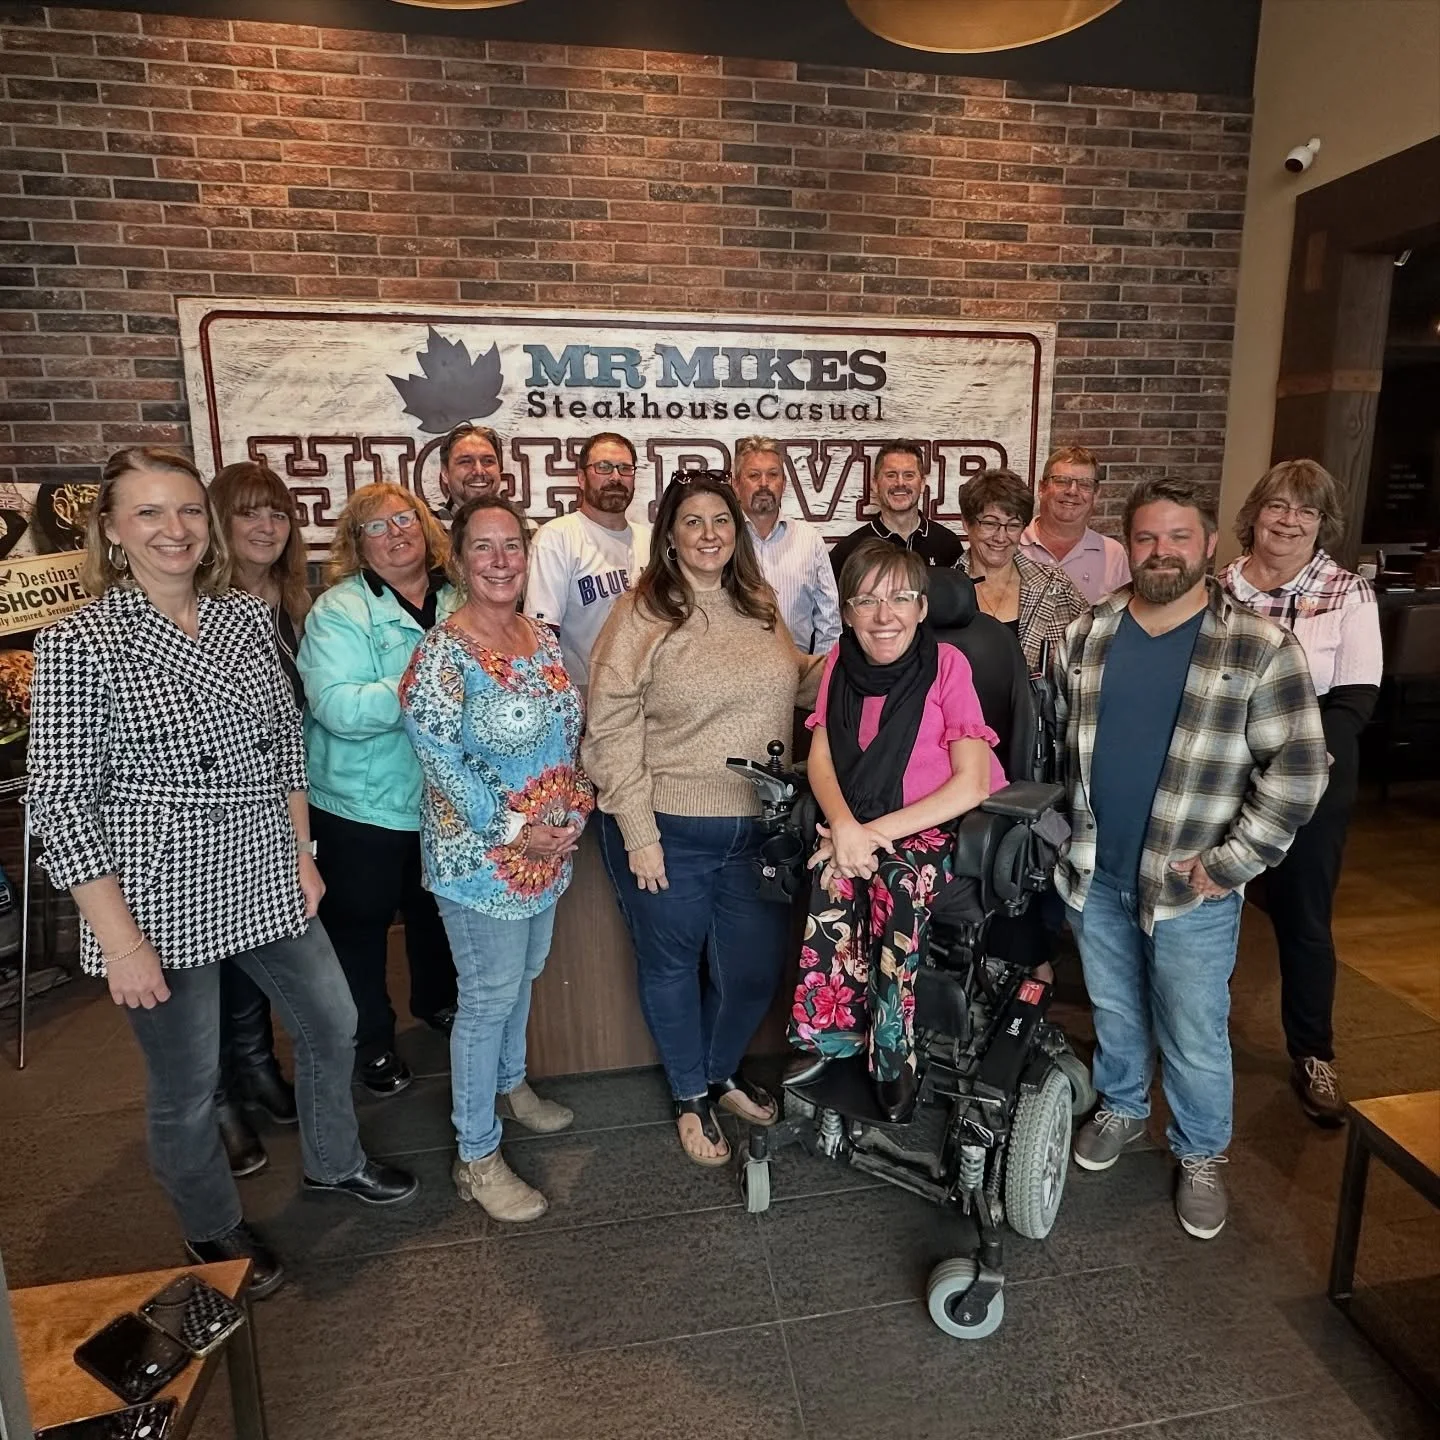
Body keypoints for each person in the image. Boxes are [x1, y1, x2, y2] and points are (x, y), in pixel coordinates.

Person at [27, 448, 417, 1300]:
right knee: (188, 1082)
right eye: (150, 515)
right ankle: (210, 1225)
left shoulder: (241, 615)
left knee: (332, 1021)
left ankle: (333, 1160)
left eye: (188, 512)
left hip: (265, 865)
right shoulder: (79, 642)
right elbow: (59, 805)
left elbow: (284, 743)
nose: (175, 531)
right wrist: (119, 941)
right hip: (155, 890)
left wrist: (303, 854)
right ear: (113, 532)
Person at [1057, 478, 1327, 1241]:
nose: (1161, 552)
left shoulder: (1261, 645)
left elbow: (1301, 770)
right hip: (1096, 870)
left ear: (1210, 545)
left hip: (1190, 885)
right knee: (1113, 1007)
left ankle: (1202, 1151)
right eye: (1146, 538)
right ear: (1128, 546)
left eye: (1179, 537)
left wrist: (1232, 863)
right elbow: (1063, 748)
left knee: (1194, 1029)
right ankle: (1121, 1105)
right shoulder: (1088, 635)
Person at [584, 474, 824, 1167]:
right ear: (670, 535)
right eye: (693, 521)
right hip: (669, 826)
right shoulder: (641, 613)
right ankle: (690, 1093)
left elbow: (790, 677)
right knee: (671, 968)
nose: (710, 533)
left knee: (751, 974)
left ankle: (718, 1073)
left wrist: (860, 658)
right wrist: (638, 833)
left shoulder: (758, 604)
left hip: (758, 827)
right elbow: (609, 728)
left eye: (721, 519)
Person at [402, 494, 594, 1222]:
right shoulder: (442, 653)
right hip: (481, 860)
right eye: (484, 547)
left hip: (548, 851)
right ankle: (475, 1155)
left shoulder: (541, 639)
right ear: (458, 559)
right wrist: (517, 829)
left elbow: (563, 734)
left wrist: (576, 802)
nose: (501, 560)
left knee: (527, 975)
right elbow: (441, 762)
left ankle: (511, 1086)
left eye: (512, 545)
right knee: (486, 998)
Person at [787, 540, 1004, 1122]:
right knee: (832, 872)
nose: (885, 616)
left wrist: (866, 833)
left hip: (941, 822)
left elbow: (972, 786)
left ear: (922, 608)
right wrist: (842, 827)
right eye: (867, 600)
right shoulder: (838, 662)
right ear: (849, 612)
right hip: (859, 820)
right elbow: (822, 760)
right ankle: (830, 1038)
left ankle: (892, 1055)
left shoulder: (949, 667)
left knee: (895, 880)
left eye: (900, 598)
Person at [1219, 460, 1382, 1126]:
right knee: (1207, 908)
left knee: (1303, 919)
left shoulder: (1347, 592)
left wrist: (1295, 764)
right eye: (1278, 507)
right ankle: (1190, 1035)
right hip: (1222, 762)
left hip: (1310, 769)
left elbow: (1355, 698)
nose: (1289, 521)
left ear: (1323, 523)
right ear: (1255, 512)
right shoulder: (1219, 585)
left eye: (1305, 512)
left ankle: (1313, 1052)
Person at [298, 483, 459, 1098]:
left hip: (442, 796)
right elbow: (337, 706)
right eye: (377, 527)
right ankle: (371, 1039)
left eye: (405, 519)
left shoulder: (459, 596)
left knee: (434, 911)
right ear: (356, 546)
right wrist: (430, 679)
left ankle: (436, 1002)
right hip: (361, 802)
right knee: (361, 923)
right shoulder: (340, 609)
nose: (396, 533)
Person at [205, 460, 311, 1178]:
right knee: (208, 955)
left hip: (292, 796)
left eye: (277, 513)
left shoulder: (298, 602)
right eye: (249, 512)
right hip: (222, 809)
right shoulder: (202, 604)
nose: (267, 526)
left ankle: (256, 1063)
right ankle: (218, 1099)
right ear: (220, 523)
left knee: (257, 939)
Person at [523, 431, 651, 689]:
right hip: (585, 698)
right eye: (603, 467)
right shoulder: (557, 538)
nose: (615, 477)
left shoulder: (651, 539)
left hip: (648, 699)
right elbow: (542, 638)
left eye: (625, 469)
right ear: (581, 478)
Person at [959, 468, 1088, 674]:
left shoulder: (1055, 586)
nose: (1001, 537)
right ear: (967, 524)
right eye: (990, 523)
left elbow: (1088, 657)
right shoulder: (943, 591)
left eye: (1013, 525)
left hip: (1036, 706)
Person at [730, 435, 841, 654]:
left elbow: (829, 622)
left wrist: (816, 675)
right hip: (733, 676)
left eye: (773, 475)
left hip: (799, 677)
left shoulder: (809, 540)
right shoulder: (722, 540)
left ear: (784, 483)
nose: (764, 483)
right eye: (754, 475)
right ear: (735, 484)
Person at [828, 441, 965, 579]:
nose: (900, 483)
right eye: (891, 475)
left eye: (909, 475)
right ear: (875, 484)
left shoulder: (948, 544)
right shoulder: (849, 551)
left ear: (922, 484)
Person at [1019, 445, 1131, 604]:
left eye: (1085, 484)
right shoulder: (1012, 545)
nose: (1072, 491)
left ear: (1096, 494)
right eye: (1062, 481)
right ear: (1042, 488)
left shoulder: (1113, 554)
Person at [434, 422, 503, 528]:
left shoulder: (527, 529)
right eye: (466, 462)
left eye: (488, 461)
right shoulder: (427, 528)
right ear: (445, 473)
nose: (479, 471)